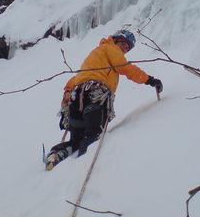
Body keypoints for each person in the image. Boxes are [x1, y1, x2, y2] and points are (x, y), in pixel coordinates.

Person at [45, 29, 163, 170]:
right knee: (93, 137)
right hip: (95, 95)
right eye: (124, 44)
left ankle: (56, 154)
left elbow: (71, 83)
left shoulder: (94, 57)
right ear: (116, 40)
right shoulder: (110, 48)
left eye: (128, 48)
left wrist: (66, 107)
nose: (125, 49)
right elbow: (126, 68)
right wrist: (150, 80)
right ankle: (77, 170)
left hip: (77, 98)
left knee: (76, 140)